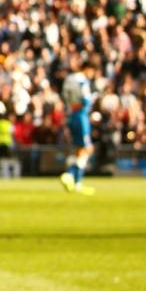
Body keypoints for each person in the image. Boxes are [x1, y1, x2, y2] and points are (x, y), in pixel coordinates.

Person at [60, 57, 96, 195]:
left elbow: (64, 96)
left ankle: (77, 184)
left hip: (71, 114)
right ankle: (69, 174)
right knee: (88, 148)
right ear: (88, 69)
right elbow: (86, 100)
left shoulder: (69, 79)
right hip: (81, 115)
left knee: (79, 149)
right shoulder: (82, 80)